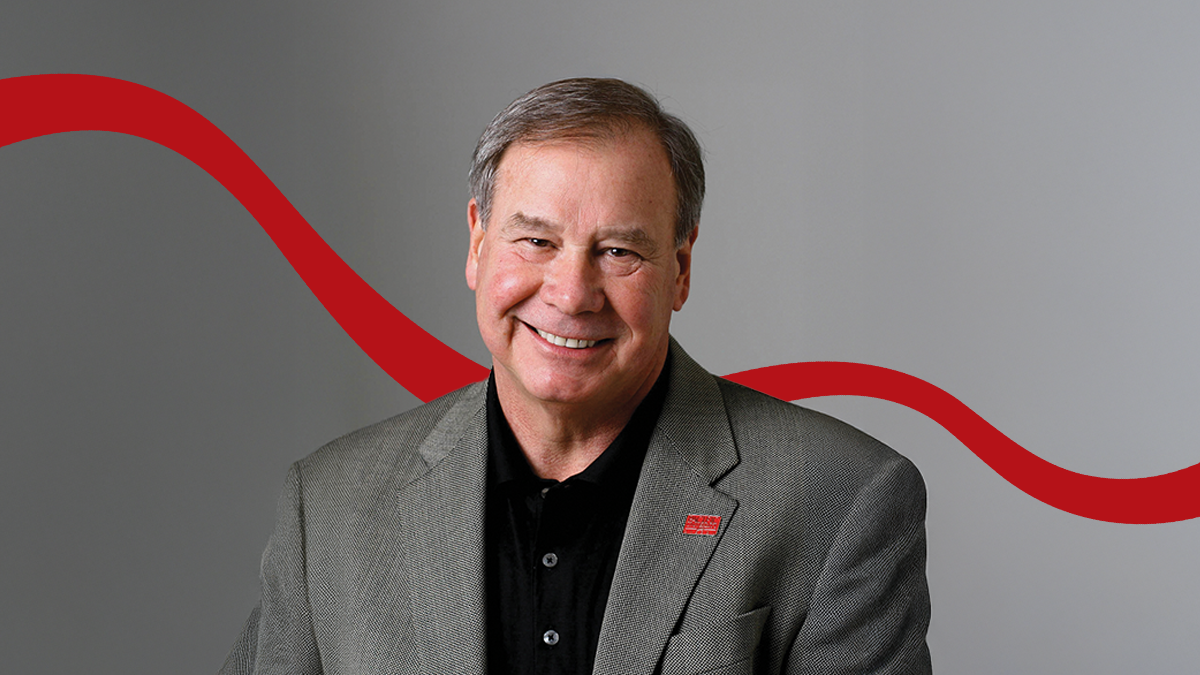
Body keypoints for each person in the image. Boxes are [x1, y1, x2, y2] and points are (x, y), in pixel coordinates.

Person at [222, 78, 931, 675]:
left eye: (619, 250)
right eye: (535, 240)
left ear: (680, 269)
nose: (570, 292)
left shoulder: (841, 500)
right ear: (476, 241)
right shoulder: (330, 507)